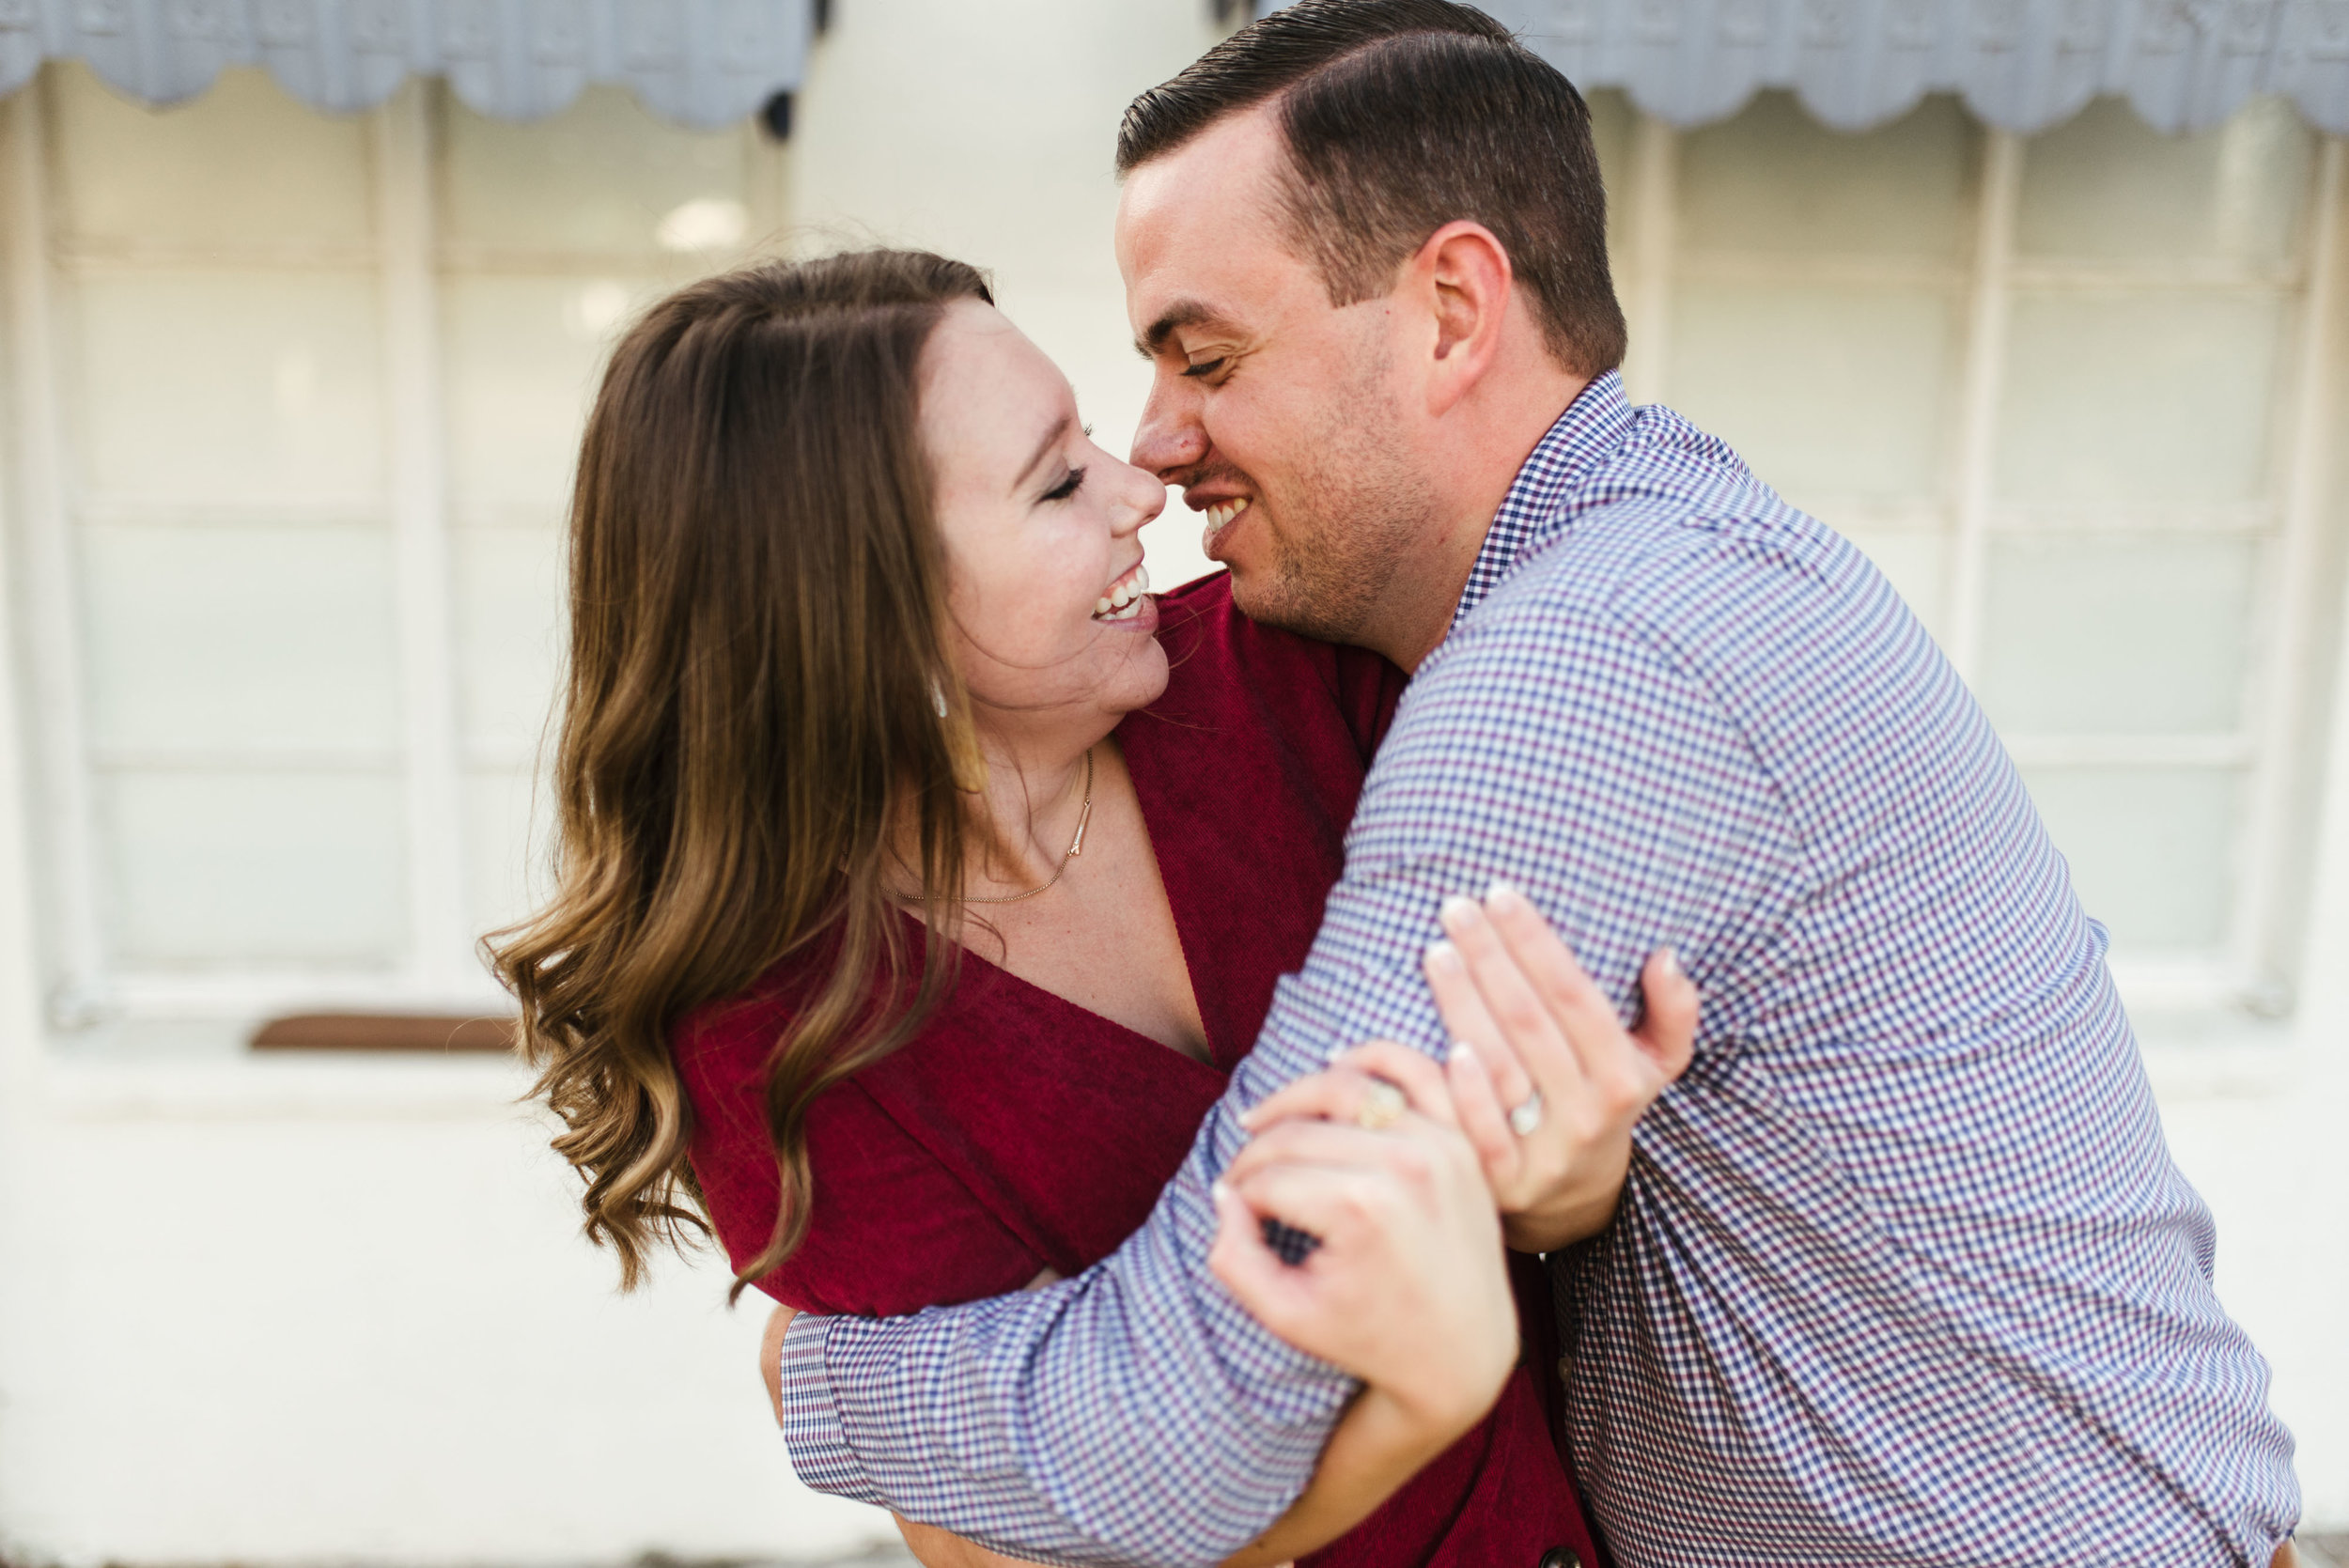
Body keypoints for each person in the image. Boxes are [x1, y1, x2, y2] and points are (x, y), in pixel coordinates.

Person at [764, 4, 2307, 1566]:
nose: (1157, 447)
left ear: (1451, 310)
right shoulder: (1657, 550)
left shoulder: (1587, 672)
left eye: (1208, 355)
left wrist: (819, 1377)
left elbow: (1205, 1409)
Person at [490, 248, 1697, 1568]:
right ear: (872, 624)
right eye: (1059, 480)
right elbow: (1036, 1543)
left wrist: (1572, 1183)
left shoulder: (1305, 679)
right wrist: (1419, 1404)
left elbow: (1562, 1157)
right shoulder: (790, 1044)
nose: (1144, 490)